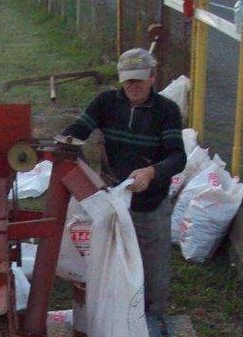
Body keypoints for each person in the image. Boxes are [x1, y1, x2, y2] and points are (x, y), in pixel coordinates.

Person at [62, 48, 186, 316]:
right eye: (128, 79)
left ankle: (153, 319)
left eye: (139, 79)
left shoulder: (166, 111)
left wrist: (151, 172)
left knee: (152, 267)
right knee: (110, 261)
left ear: (152, 77)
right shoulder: (106, 102)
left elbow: (177, 157)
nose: (134, 86)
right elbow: (76, 132)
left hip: (149, 202)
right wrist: (71, 146)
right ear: (121, 79)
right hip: (110, 199)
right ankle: (117, 315)